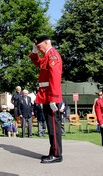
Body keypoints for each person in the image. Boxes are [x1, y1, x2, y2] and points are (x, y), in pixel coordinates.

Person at [30, 35, 63, 164]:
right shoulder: (48, 56)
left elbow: (54, 78)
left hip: (50, 96)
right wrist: (34, 51)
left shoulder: (52, 55)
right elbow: (37, 62)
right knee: (51, 126)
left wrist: (53, 99)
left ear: (46, 43)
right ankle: (53, 151)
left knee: (53, 126)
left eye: (39, 46)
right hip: (46, 95)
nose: (38, 49)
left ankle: (56, 154)